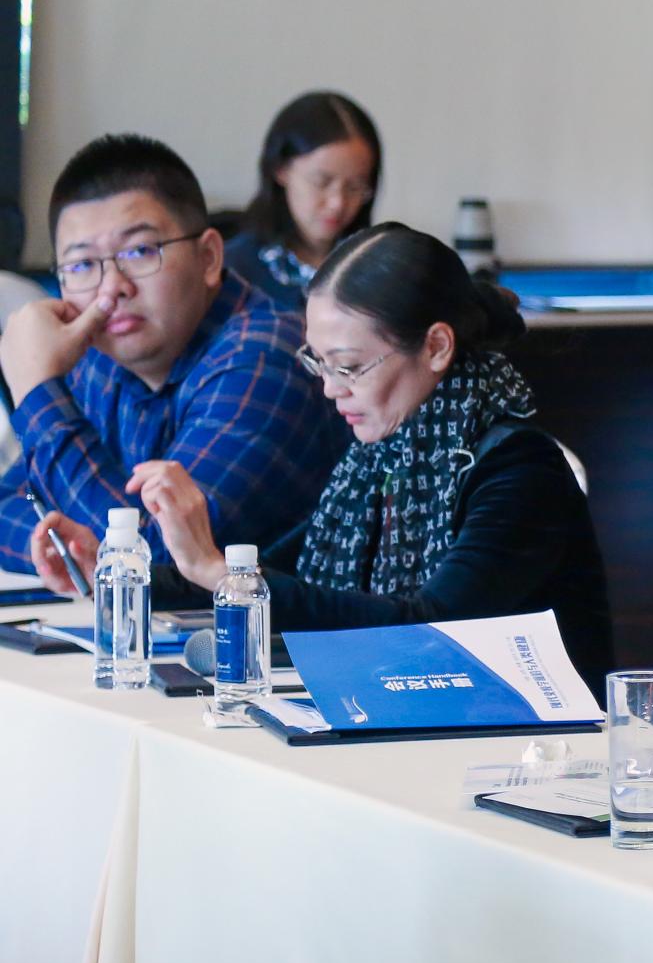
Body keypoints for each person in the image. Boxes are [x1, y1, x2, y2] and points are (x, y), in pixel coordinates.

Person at [34, 223, 616, 686]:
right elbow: (286, 572)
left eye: (349, 366)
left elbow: (431, 628)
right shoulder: (377, 461)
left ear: (436, 347)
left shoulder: (519, 469)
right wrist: (119, 572)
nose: (331, 389)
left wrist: (220, 572)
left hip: (536, 755)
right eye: (318, 362)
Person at [4, 135, 347, 591]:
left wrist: (35, 387)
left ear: (208, 258)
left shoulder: (266, 357)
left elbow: (160, 564)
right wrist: (59, 547)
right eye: (82, 265)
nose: (112, 288)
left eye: (140, 252)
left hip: (274, 637)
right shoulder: (102, 355)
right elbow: (12, 504)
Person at [223, 91, 383, 312]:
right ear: (281, 169)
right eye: (321, 182)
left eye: (355, 186)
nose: (337, 203)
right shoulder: (234, 271)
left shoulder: (378, 270)